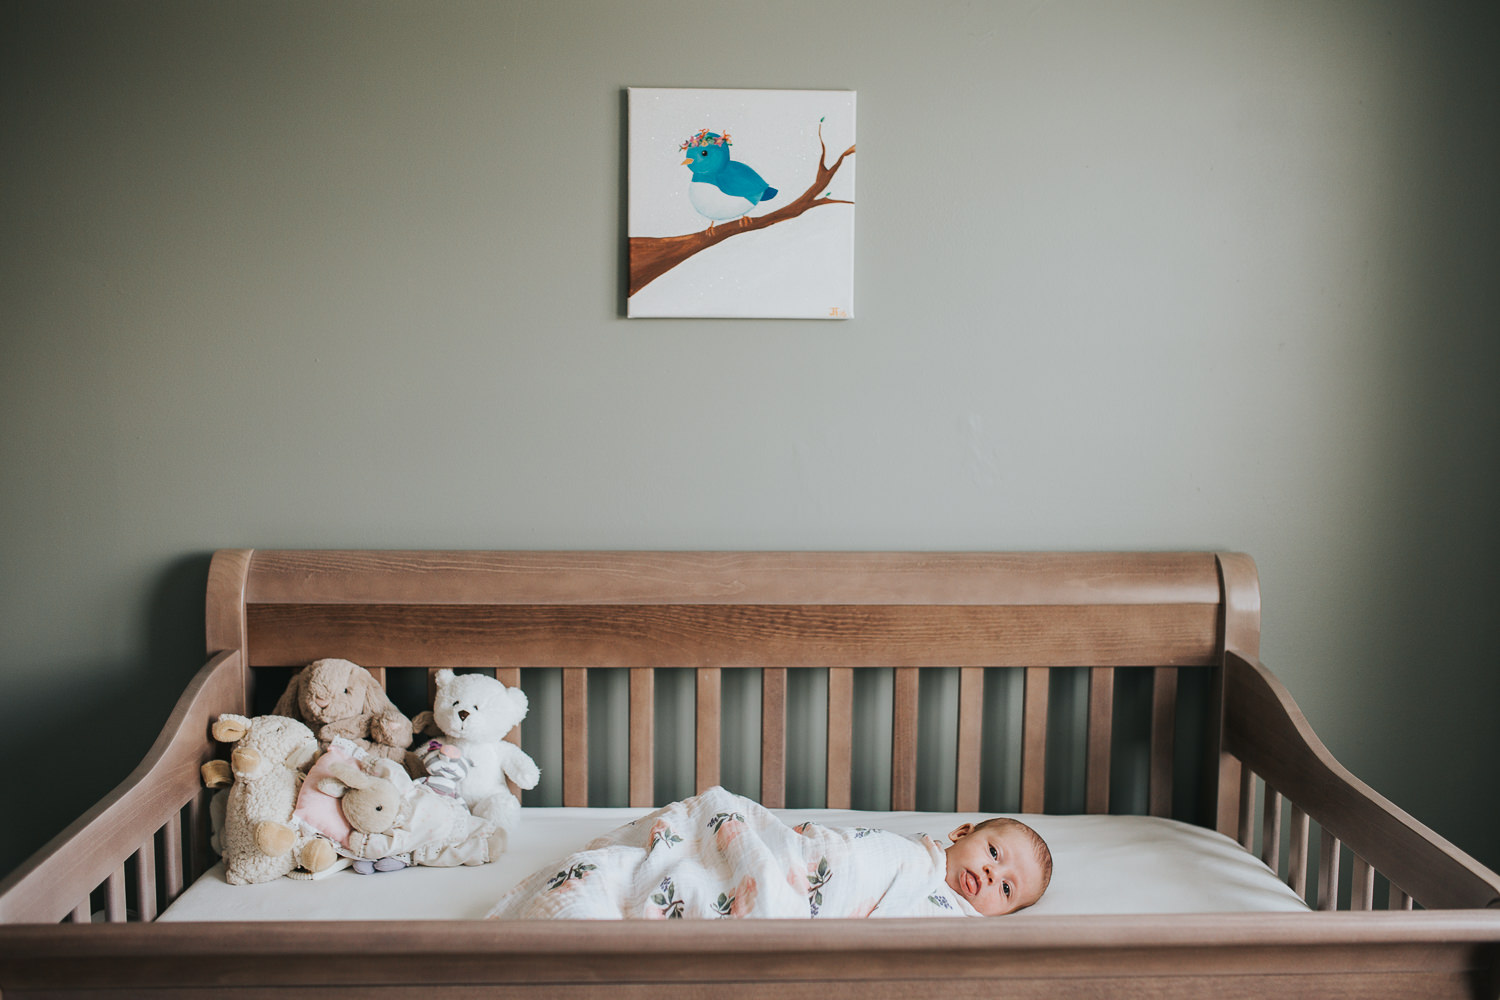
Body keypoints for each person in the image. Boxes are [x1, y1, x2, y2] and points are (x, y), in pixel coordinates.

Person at [487, 786, 1053, 920]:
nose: (990, 874)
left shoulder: (954, 921)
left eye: (1008, 888)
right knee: (688, 854)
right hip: (793, 863)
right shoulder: (911, 854)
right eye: (995, 852)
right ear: (962, 833)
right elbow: (836, 854)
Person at [943, 817, 1052, 915]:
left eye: (1006, 889)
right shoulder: (926, 852)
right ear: (962, 834)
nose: (994, 874)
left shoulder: (966, 930)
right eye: (993, 852)